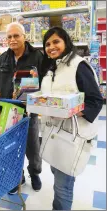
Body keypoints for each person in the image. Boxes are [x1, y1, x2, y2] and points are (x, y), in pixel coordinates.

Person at [40, 27, 103, 210]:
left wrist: (69, 109)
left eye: (56, 42)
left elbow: (95, 101)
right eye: (48, 44)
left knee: (63, 187)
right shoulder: (53, 67)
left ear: (66, 42)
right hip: (53, 132)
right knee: (57, 176)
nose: (51, 47)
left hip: (70, 136)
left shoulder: (78, 65)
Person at [0, 22, 43, 193]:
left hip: (29, 111)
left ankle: (34, 173)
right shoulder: (3, 58)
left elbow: (45, 82)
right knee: (11, 147)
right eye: (9, 37)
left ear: (24, 37)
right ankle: (16, 175)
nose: (12, 40)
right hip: (7, 112)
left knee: (32, 146)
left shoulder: (37, 56)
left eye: (16, 36)